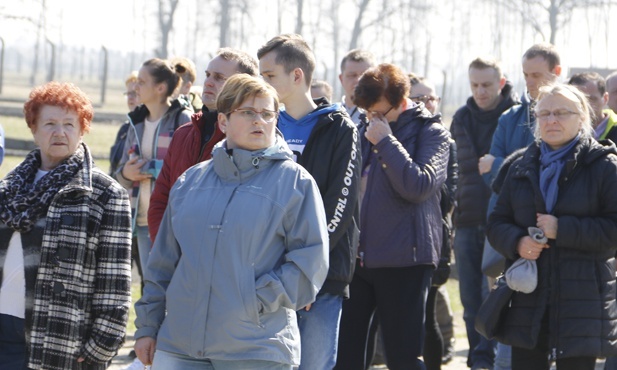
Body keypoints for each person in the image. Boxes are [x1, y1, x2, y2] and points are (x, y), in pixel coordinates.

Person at [133, 74, 329, 369]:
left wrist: (253, 301)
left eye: (267, 114)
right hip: (180, 345)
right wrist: (148, 327)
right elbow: (162, 263)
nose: (259, 121)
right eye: (248, 112)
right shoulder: (191, 181)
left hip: (255, 348)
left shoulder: (294, 182)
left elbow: (309, 262)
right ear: (223, 121)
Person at [0, 81, 132, 370]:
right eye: (49, 123)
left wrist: (100, 347)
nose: (59, 132)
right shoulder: (8, 187)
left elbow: (115, 283)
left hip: (58, 340)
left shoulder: (105, 194)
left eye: (69, 124)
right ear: (33, 129)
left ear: (82, 129)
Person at [486, 83, 617, 370]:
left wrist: (563, 228)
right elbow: (496, 223)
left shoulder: (605, 166)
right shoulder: (520, 165)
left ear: (581, 117)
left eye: (560, 113)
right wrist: (518, 242)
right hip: (528, 299)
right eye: (543, 114)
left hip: (582, 301)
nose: (551, 120)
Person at [335, 63, 450, 370]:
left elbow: (419, 185)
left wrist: (386, 142)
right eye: (368, 112)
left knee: (402, 357)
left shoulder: (432, 132)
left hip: (405, 261)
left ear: (402, 102)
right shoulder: (363, 127)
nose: (373, 118)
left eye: (381, 113)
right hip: (358, 261)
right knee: (345, 356)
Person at [258, 34, 361, 370]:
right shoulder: (264, 126)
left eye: (269, 76)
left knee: (313, 365)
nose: (263, 83)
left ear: (297, 76)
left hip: (322, 277)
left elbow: (340, 206)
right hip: (268, 274)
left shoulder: (340, 128)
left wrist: (306, 269)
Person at [480, 44, 562, 370]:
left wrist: (503, 165)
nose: (529, 82)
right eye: (526, 75)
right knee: (510, 332)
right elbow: (493, 180)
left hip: (558, 244)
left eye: (537, 75)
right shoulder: (510, 118)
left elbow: (497, 165)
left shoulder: (572, 113)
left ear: (556, 73)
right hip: (513, 241)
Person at [148, 48, 258, 242]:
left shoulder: (249, 141)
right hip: (173, 259)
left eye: (219, 77)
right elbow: (161, 198)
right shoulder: (183, 134)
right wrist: (164, 249)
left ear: (243, 86)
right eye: (208, 75)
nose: (208, 82)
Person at [450, 57, 518, 370]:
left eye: (487, 84)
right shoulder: (461, 117)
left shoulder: (515, 116)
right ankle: (478, 360)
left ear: (501, 82)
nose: (480, 91)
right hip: (465, 220)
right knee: (469, 299)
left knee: (495, 295)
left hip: (501, 222)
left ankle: (494, 358)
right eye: (475, 84)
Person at [114, 58, 192, 281]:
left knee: (173, 286)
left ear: (160, 88)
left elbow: (187, 169)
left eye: (141, 81)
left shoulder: (182, 119)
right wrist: (126, 175)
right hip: (140, 221)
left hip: (172, 221)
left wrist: (150, 168)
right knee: (151, 287)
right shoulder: (135, 122)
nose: (135, 87)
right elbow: (120, 170)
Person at [410, 74, 458, 370]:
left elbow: (449, 194)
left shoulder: (443, 138)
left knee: (427, 317)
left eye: (431, 98)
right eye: (419, 99)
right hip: (394, 242)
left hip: (432, 237)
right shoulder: (395, 134)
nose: (427, 104)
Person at [568, 72, 617, 142]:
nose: (584, 105)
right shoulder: (558, 130)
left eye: (591, 99)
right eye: (577, 99)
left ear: (605, 99)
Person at [339, 49, 375, 125]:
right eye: (352, 75)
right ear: (341, 79)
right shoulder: (331, 116)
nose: (358, 80)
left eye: (364, 75)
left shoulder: (382, 116)